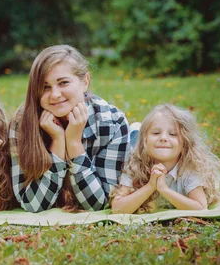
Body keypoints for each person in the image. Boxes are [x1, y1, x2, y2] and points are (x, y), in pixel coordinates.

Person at [10, 44, 130, 213]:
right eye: (45, 87)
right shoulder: (22, 122)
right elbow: (32, 204)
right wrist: (58, 142)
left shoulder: (112, 123)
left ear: (85, 81)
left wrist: (73, 142)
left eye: (63, 83)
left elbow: (98, 204)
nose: (55, 94)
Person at [110, 104, 220, 213]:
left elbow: (201, 208)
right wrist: (150, 186)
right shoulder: (134, 165)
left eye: (173, 134)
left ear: (185, 143)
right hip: (137, 147)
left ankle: (139, 131)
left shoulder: (189, 168)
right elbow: (117, 208)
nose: (163, 138)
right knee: (133, 142)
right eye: (156, 133)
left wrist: (164, 189)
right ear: (145, 140)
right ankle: (136, 133)